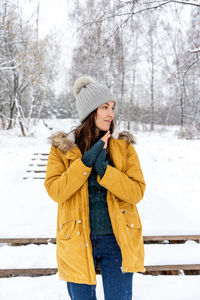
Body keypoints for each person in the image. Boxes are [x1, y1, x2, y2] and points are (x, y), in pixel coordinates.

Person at [44, 76, 146, 300]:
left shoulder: (123, 146)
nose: (111, 113)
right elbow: (56, 190)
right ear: (90, 112)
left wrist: (106, 171)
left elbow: (136, 192)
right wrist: (84, 164)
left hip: (117, 240)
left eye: (112, 107)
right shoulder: (63, 149)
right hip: (77, 239)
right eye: (105, 107)